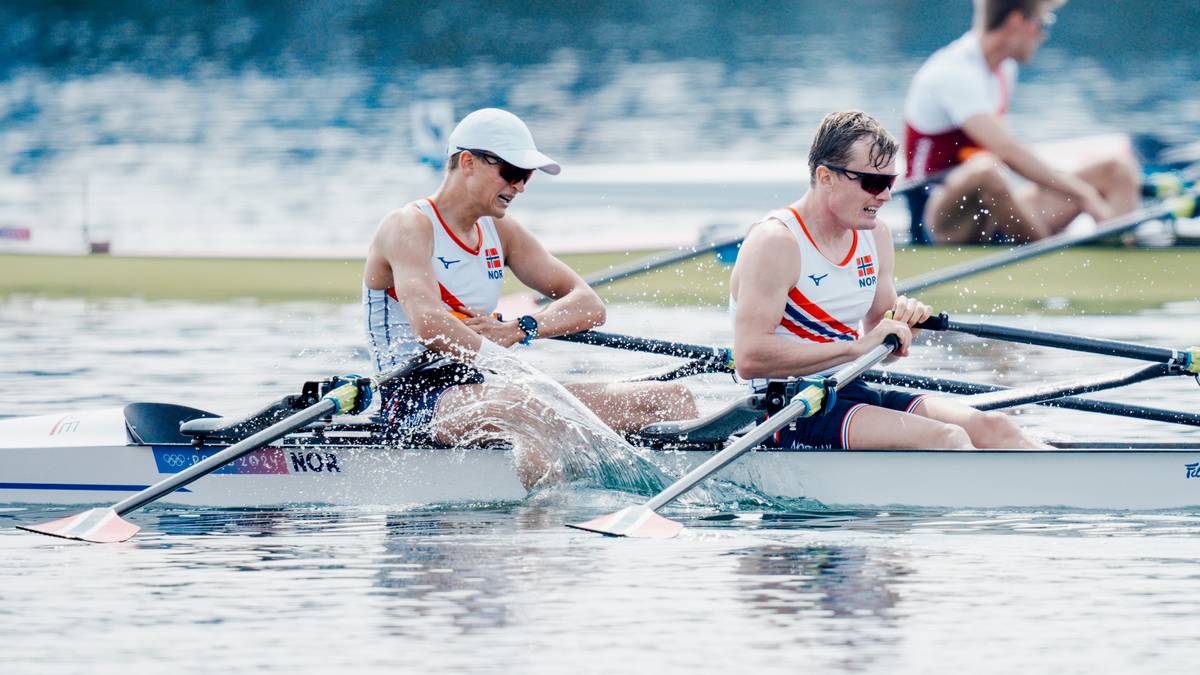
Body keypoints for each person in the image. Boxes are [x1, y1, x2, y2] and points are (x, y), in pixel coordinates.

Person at [363, 108, 698, 486]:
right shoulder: (408, 226)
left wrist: (522, 329)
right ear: (468, 162)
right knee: (526, 409)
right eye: (512, 173)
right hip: (415, 401)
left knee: (670, 398)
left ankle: (663, 496)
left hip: (484, 387)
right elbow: (429, 324)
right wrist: (505, 363)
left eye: (527, 176)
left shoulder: (502, 232)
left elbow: (588, 304)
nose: (520, 186)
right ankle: (546, 530)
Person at [730, 110, 1047, 450]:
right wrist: (856, 348)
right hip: (785, 410)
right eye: (872, 183)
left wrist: (903, 328)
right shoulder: (776, 242)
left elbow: (886, 352)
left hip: (848, 387)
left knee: (995, 428)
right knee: (947, 439)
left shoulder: (875, 235)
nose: (885, 196)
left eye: (890, 182)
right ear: (825, 177)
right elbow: (749, 357)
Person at [903, 0, 1141, 245]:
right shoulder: (952, 73)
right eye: (1043, 22)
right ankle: (1047, 257)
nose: (1044, 35)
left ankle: (1121, 259)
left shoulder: (1004, 68)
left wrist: (1078, 191)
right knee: (986, 171)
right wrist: (1084, 194)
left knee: (1118, 169)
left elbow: (1016, 156)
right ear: (1017, 21)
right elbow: (1008, 151)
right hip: (937, 218)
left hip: (994, 209)